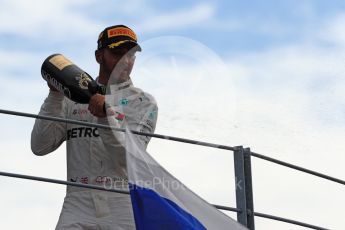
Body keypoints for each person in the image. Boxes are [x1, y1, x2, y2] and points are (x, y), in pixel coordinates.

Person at [31, 25, 158, 230]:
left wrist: (105, 117)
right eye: (117, 53)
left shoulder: (143, 102)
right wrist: (55, 94)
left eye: (131, 55)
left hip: (121, 200)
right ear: (99, 56)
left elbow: (126, 159)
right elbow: (39, 147)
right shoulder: (71, 97)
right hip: (77, 199)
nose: (126, 61)